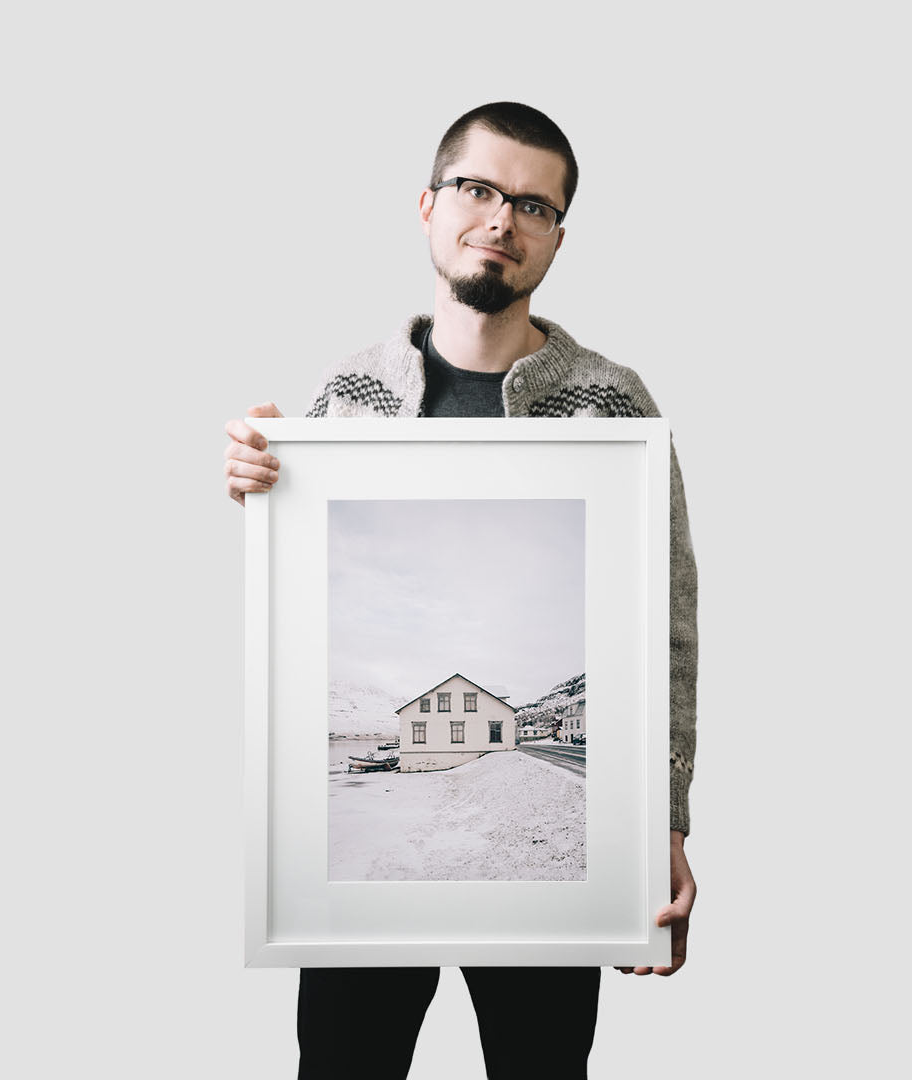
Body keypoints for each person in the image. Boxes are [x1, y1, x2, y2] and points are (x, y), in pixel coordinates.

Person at [225, 102, 698, 1079]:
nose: (501, 219)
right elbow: (309, 601)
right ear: (430, 204)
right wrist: (260, 490)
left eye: (533, 204)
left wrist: (666, 818)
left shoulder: (612, 403)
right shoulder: (347, 395)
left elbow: (669, 627)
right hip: (349, 883)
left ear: (557, 237)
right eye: (479, 190)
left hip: (557, 884)